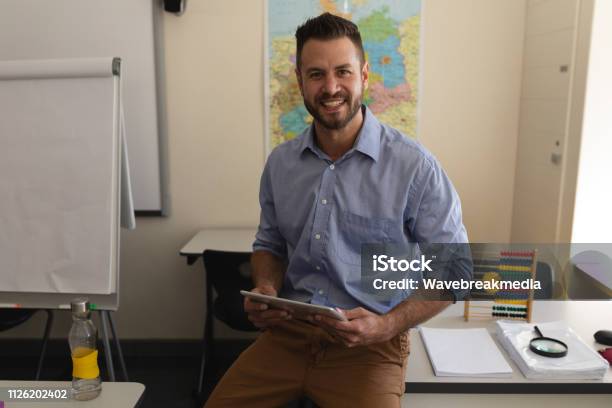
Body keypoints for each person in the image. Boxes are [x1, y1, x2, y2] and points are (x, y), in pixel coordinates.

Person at [205, 12, 469, 408]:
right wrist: (266, 288)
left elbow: (457, 272)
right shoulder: (281, 164)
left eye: (342, 72)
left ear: (364, 75)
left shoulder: (415, 167)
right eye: (316, 74)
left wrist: (386, 326)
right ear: (300, 80)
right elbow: (270, 242)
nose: (331, 88)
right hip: (289, 338)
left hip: (371, 347)